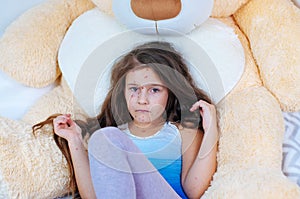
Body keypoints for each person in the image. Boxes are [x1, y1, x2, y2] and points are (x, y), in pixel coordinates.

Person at [33, 41, 219, 199]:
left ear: (171, 93)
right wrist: (74, 140)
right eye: (134, 89)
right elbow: (93, 195)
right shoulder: (112, 138)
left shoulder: (183, 133)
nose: (142, 99)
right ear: (122, 92)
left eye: (154, 90)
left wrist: (211, 131)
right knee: (104, 138)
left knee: (106, 137)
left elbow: (195, 191)